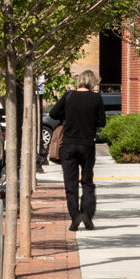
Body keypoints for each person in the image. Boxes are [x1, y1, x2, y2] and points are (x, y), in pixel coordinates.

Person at [48, 68, 107, 232]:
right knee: (87, 181)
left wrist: (66, 117)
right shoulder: (96, 98)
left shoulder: (69, 96)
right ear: (92, 82)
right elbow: (102, 122)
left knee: (70, 184)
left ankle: (75, 216)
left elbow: (53, 113)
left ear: (79, 81)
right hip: (87, 145)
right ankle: (87, 213)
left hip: (68, 145)